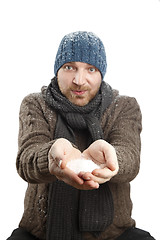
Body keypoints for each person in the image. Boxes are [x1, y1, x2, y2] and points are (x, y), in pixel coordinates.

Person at [7, 31, 155, 240]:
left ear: (101, 74)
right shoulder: (35, 104)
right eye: (70, 67)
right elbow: (26, 160)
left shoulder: (123, 106)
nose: (79, 80)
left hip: (113, 234)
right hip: (40, 234)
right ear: (57, 69)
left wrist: (111, 158)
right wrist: (51, 155)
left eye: (90, 69)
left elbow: (130, 156)